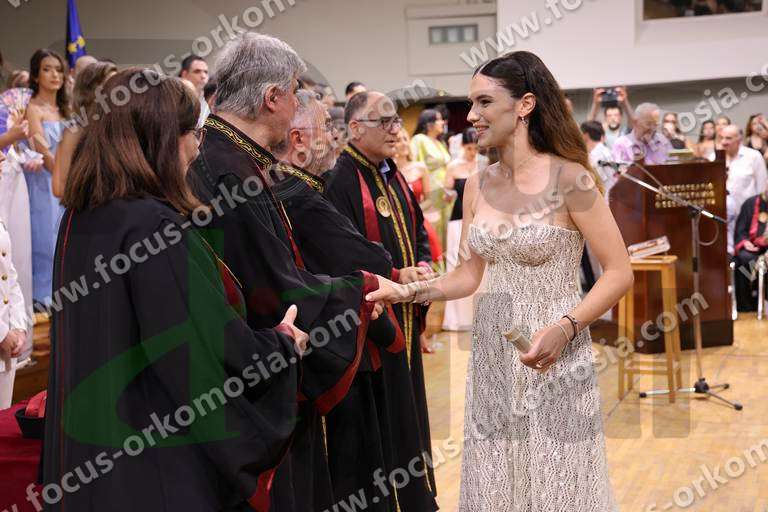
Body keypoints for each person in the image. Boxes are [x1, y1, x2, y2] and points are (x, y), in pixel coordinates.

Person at [367, 50, 632, 511]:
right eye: (471, 103)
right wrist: (405, 291)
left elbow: (619, 271)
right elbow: (468, 275)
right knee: (496, 484)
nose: (471, 115)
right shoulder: (477, 184)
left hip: (555, 354)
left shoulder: (571, 179)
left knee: (559, 485)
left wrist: (566, 327)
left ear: (525, 105)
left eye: (484, 102)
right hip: (493, 353)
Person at [43, 68, 308, 511]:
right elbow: (203, 342)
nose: (198, 147)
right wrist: (281, 345)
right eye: (193, 133)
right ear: (164, 138)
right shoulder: (153, 225)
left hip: (87, 461)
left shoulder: (80, 217)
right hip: (153, 465)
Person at [188, 33, 385, 511]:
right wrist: (361, 290)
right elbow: (274, 291)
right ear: (272, 97)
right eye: (295, 91)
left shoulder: (231, 156)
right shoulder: (230, 171)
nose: (299, 103)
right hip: (248, 387)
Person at [326, 90, 439, 511]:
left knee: (408, 413)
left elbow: (419, 229)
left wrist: (422, 265)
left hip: (405, 313)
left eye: (396, 121)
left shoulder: (392, 174)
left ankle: (414, 497)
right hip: (372, 324)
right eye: (385, 122)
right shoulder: (340, 178)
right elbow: (341, 252)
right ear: (355, 128)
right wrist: (393, 275)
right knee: (381, 421)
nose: (396, 130)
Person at [22, 49, 69, 305]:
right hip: (45, 184)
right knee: (46, 242)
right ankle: (43, 298)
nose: (54, 75)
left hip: (68, 181)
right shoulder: (32, 108)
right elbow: (42, 150)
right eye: (47, 69)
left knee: (67, 241)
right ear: (35, 75)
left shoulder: (67, 109)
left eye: (59, 70)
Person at [52, 60, 117, 197]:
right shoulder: (74, 132)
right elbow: (59, 187)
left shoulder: (123, 128)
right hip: (92, 207)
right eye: (110, 84)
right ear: (91, 91)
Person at [442, 127, 479, 332]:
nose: (473, 152)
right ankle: (456, 318)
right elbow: (446, 194)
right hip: (457, 220)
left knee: (479, 265)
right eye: (469, 148)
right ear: (463, 146)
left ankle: (478, 315)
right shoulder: (454, 166)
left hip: (478, 221)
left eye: (476, 148)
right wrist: (448, 194)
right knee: (456, 264)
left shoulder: (483, 164)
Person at [0, 151, 28, 409]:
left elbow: (10, 276)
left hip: (5, 352)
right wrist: (1, 334)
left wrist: (18, 326)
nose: (2, 158)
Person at [721, 124, 768, 254]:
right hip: (725, 219)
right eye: (721, 138)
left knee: (746, 255)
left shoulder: (753, 156)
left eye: (728, 138)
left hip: (748, 218)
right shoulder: (716, 157)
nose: (724, 142)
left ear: (739, 139)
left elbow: (761, 187)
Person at [410, 108, 452, 246]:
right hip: (430, 192)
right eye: (439, 119)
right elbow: (413, 165)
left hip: (445, 194)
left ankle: (445, 259)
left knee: (446, 231)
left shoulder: (440, 143)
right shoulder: (419, 140)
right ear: (429, 124)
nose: (443, 122)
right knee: (433, 231)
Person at [733, 186, 768, 311]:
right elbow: (740, 230)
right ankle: (746, 305)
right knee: (742, 260)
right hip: (752, 249)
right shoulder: (750, 203)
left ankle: (763, 301)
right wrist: (745, 242)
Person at [580, 120, 616, 197]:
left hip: (605, 198)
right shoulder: (605, 150)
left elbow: (595, 183)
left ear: (585, 135)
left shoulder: (596, 155)